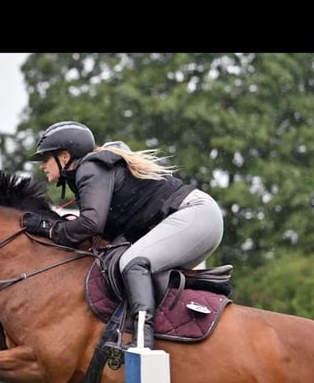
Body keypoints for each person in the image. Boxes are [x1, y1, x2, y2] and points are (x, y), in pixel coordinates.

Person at [22, 121, 224, 349]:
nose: (42, 166)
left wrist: (49, 229)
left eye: (45, 158)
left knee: (133, 262)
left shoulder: (90, 168)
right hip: (195, 220)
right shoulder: (93, 173)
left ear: (65, 156)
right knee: (130, 265)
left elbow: (90, 223)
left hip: (195, 215)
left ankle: (142, 342)